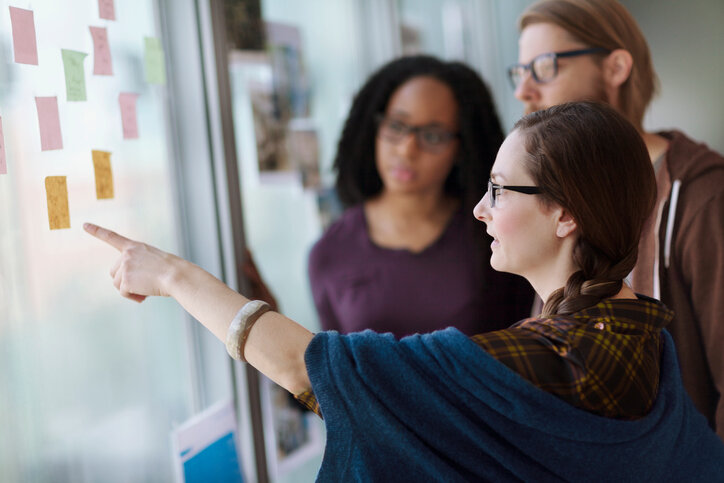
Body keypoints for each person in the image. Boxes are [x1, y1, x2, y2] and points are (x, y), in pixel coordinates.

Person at [85, 102, 724, 481]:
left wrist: (173, 276)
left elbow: (312, 371)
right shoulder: (641, 334)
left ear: (566, 215)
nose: (479, 208)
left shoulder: (552, 360)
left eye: (499, 190)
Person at [508, 0, 724, 440]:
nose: (523, 91)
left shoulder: (703, 197)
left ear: (616, 67)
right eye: (520, 71)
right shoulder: (558, 197)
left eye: (545, 67)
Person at [308, 55, 533, 338]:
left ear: (462, 148)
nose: (407, 149)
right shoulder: (330, 253)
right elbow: (332, 361)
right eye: (396, 126)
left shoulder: (495, 234)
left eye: (433, 136)